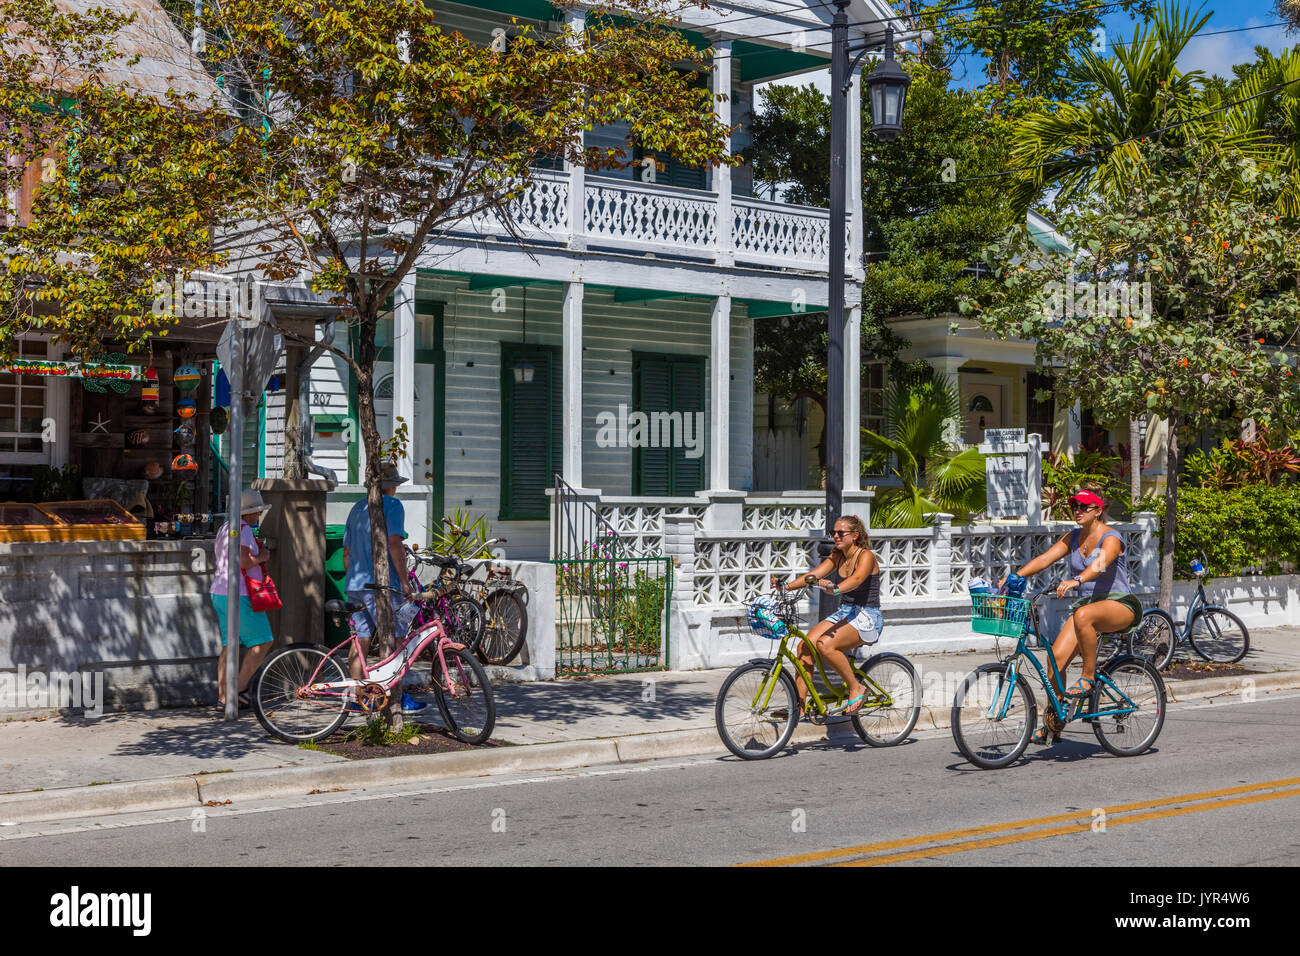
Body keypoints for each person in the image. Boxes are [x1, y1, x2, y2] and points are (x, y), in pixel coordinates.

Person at [1001, 489, 1143, 743]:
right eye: (1074, 506)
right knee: (1054, 660)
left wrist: (1077, 580)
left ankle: (1088, 676)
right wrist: (1017, 576)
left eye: (1084, 506)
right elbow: (1045, 558)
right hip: (1087, 608)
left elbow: (1100, 565)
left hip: (1120, 605)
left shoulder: (1111, 537)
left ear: (1098, 510)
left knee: (1083, 615)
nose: (1077, 510)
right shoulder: (1073, 537)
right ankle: (1054, 722)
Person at [770, 514, 884, 717]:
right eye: (834, 533)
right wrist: (785, 587)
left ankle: (856, 688)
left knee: (824, 644)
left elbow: (857, 579)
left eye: (841, 533)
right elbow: (813, 576)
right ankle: (799, 706)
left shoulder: (866, 556)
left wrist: (837, 589)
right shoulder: (838, 555)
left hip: (867, 615)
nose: (836, 536)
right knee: (804, 646)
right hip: (845, 613)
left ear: (855, 535)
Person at [342, 461, 424, 714]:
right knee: (396, 639)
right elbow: (394, 543)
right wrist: (404, 580)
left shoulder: (356, 507)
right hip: (381, 584)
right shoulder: (391, 505)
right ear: (392, 486)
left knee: (361, 640)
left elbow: (346, 552)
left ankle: (357, 696)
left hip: (355, 583)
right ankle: (396, 696)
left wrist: (355, 579)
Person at [210, 490, 275, 711]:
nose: (259, 514)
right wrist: (263, 555)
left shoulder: (224, 528)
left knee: (230, 645)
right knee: (263, 641)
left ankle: (223, 696)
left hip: (220, 591)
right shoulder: (244, 530)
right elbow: (245, 562)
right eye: (257, 510)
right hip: (240, 594)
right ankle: (236, 690)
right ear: (249, 512)